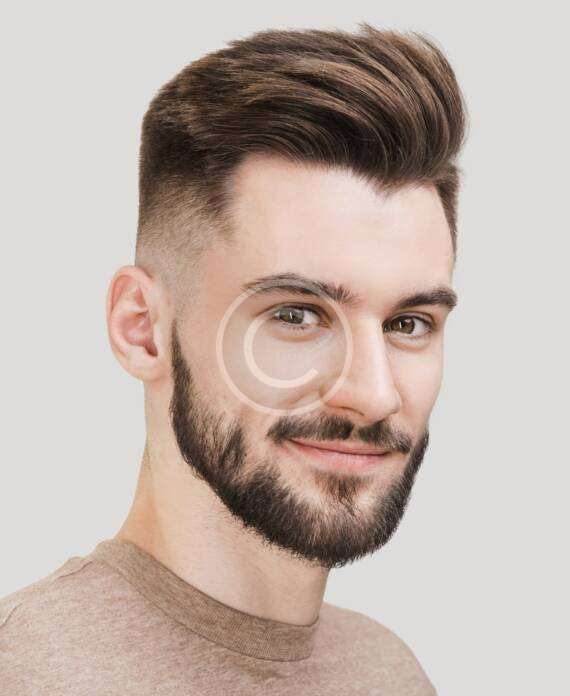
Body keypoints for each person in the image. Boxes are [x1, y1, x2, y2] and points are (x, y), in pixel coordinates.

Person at [0, 21, 468, 695]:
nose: (374, 395)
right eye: (296, 315)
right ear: (142, 329)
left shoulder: (389, 673)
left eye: (408, 323)